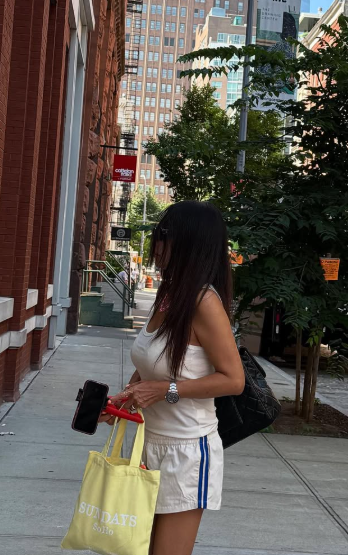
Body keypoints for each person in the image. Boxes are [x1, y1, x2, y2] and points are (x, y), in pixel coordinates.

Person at [101, 201, 244, 555]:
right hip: (149, 443)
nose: (157, 243)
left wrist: (166, 390)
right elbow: (152, 362)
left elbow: (233, 379)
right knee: (134, 549)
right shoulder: (169, 294)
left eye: (163, 234)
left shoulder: (203, 302)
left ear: (189, 242)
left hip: (187, 452)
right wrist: (127, 398)